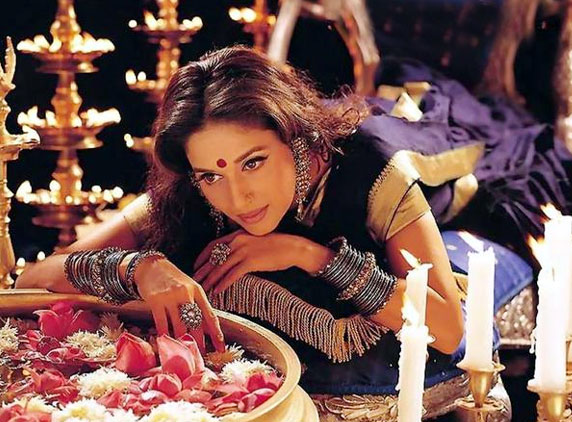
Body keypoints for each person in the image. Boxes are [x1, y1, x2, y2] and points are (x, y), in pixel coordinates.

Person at [16, 46, 534, 420]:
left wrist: (308, 255)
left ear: (295, 138)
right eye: (212, 175)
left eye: (254, 162)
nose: (238, 198)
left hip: (448, 187)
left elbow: (448, 328)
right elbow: (32, 280)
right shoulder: (187, 190)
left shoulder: (373, 171)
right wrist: (140, 267)